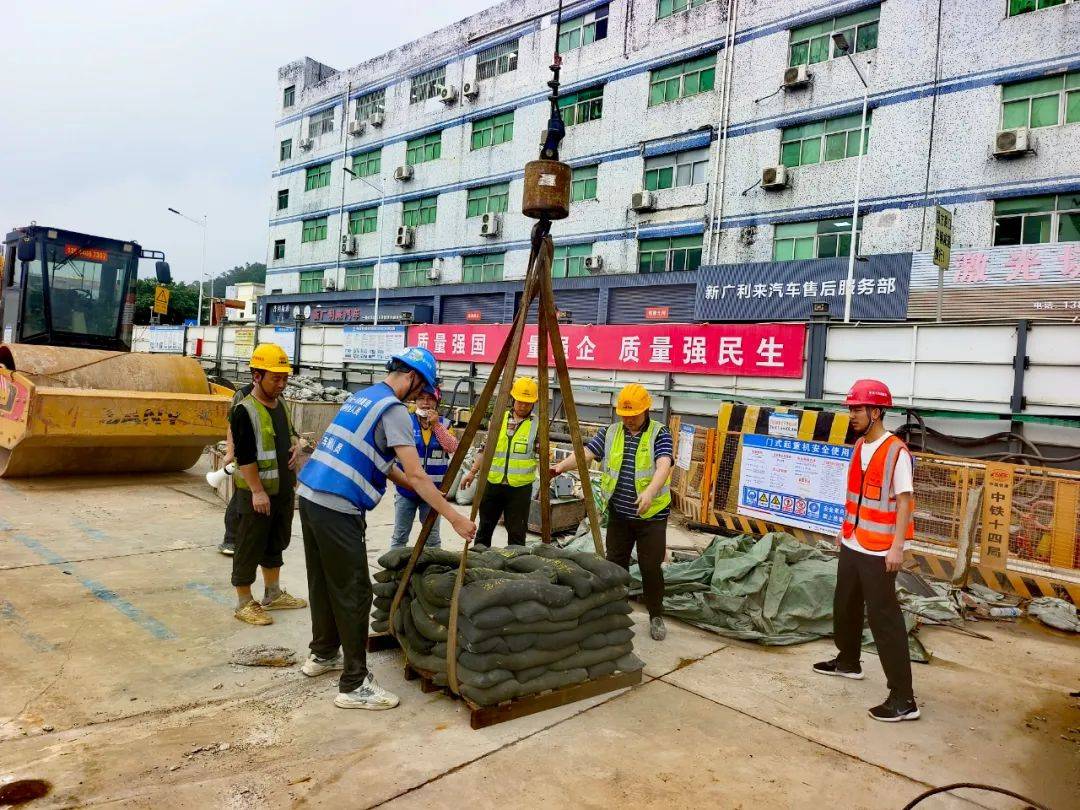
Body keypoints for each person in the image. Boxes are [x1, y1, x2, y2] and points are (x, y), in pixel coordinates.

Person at [296, 347, 476, 710]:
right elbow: (415, 471)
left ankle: (324, 653)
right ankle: (354, 684)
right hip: (339, 504)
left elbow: (378, 459)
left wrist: (414, 487)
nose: (418, 398)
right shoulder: (394, 410)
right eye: (420, 389)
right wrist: (454, 516)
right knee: (355, 592)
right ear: (411, 378)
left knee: (323, 582)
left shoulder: (365, 397)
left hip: (312, 497)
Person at [813, 379, 919, 723]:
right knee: (844, 603)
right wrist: (844, 532)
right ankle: (848, 661)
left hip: (880, 550)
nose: (852, 414)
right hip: (853, 540)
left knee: (884, 619)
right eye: (850, 408)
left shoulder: (896, 452)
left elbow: (904, 502)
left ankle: (904, 699)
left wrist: (897, 548)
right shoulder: (859, 446)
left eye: (858, 409)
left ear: (876, 412)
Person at [551, 383, 673, 642]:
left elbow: (664, 465)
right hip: (620, 512)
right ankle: (614, 609)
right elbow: (586, 454)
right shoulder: (611, 432)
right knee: (615, 564)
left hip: (652, 516)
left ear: (646, 410)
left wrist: (650, 492)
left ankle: (655, 615)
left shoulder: (659, 433)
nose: (628, 420)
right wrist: (561, 466)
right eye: (624, 415)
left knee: (650, 567)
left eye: (634, 415)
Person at [230, 344, 307, 625]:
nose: (281, 383)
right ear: (257, 375)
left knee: (276, 542)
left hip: (282, 491)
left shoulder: (281, 403)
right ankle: (243, 602)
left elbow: (290, 434)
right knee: (249, 545)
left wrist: (297, 443)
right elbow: (245, 456)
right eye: (275, 377)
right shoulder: (244, 410)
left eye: (284, 377)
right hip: (257, 495)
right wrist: (257, 491)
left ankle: (272, 594)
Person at [460, 377, 540, 548]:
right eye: (520, 401)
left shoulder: (538, 426)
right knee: (484, 529)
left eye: (528, 402)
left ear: (533, 403)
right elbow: (484, 448)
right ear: (512, 398)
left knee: (517, 534)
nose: (524, 406)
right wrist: (472, 472)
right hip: (493, 483)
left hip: (520, 489)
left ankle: (514, 568)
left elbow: (544, 456)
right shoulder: (499, 419)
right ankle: (478, 563)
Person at [390, 387, 459, 549]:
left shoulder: (445, 424)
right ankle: (395, 571)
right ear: (416, 401)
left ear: (437, 402)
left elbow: (452, 446)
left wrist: (436, 425)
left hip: (433, 492)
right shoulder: (406, 421)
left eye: (430, 399)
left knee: (432, 538)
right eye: (421, 398)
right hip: (406, 490)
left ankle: (432, 571)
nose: (426, 402)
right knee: (400, 535)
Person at [218, 380, 254, 556]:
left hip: (265, 459)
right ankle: (230, 539)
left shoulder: (279, 396)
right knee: (241, 495)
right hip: (245, 456)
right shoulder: (242, 394)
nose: (280, 383)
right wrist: (230, 451)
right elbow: (232, 425)